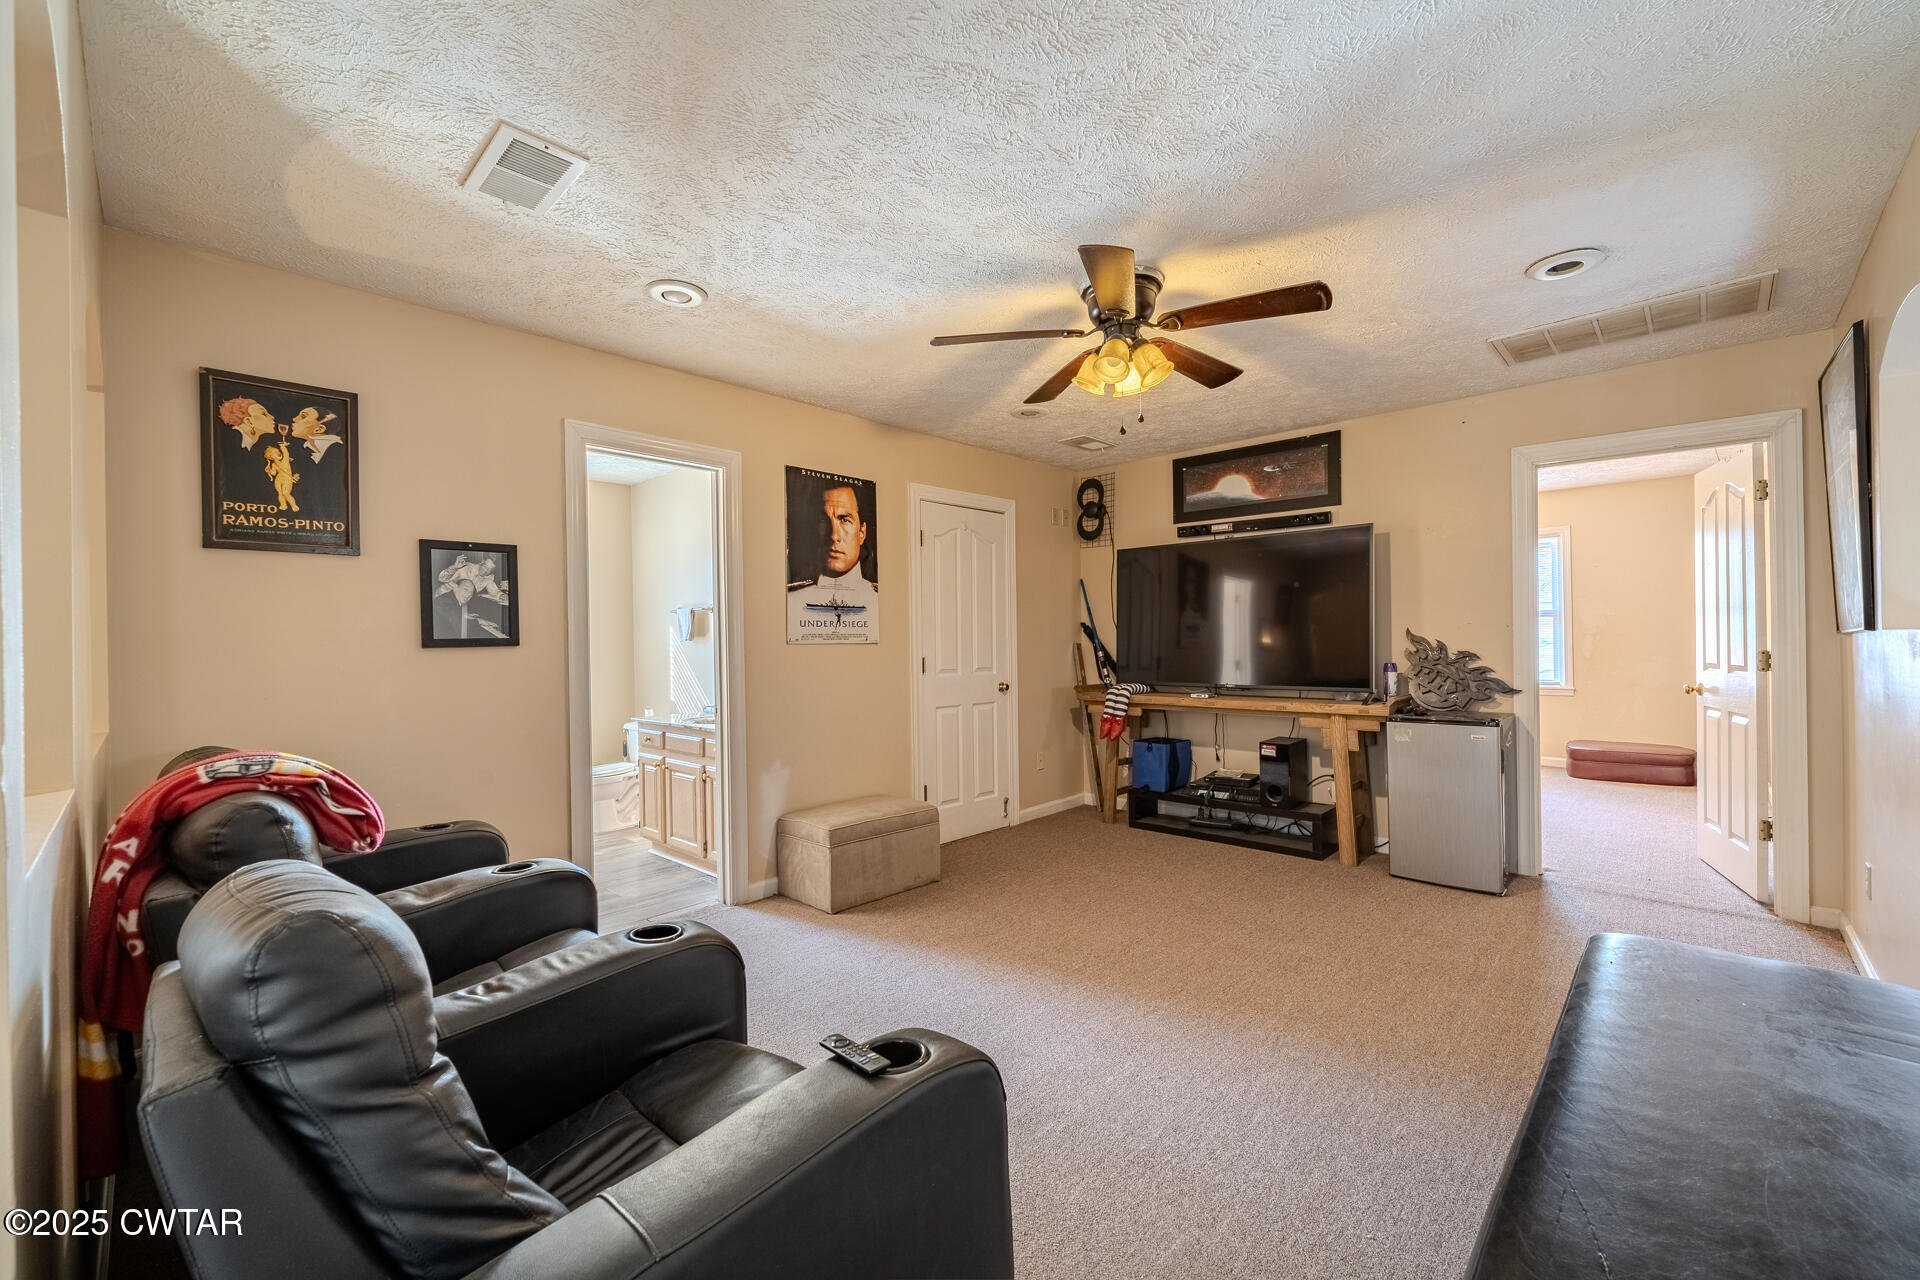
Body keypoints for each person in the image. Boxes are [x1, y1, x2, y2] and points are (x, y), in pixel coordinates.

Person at [787, 482, 877, 640]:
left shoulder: (877, 599)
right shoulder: (791, 598)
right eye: (824, 521)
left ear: (861, 533)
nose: (834, 535)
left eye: (845, 520)